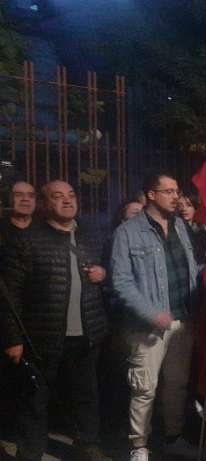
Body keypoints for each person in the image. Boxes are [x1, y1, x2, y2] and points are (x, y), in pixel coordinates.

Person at [0, 180, 108, 461]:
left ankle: (88, 445)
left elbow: (111, 277)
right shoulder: (27, 240)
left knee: (87, 396)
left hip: (87, 334)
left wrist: (103, 274)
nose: (67, 200)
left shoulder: (91, 236)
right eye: (58, 196)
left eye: (71, 195)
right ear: (46, 204)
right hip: (42, 337)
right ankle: (30, 451)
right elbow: (9, 297)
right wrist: (12, 339)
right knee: (35, 399)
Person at [110, 173, 201, 461]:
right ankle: (139, 445)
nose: (176, 197)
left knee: (177, 385)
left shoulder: (181, 227)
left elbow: (190, 270)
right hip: (147, 327)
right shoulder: (127, 233)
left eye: (178, 190)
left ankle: (172, 438)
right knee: (144, 388)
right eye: (168, 191)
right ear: (151, 194)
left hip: (182, 322)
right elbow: (121, 281)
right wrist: (153, 314)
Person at [0, 181, 36, 248]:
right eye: (18, 195)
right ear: (9, 199)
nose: (25, 199)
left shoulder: (47, 229)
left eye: (31, 195)